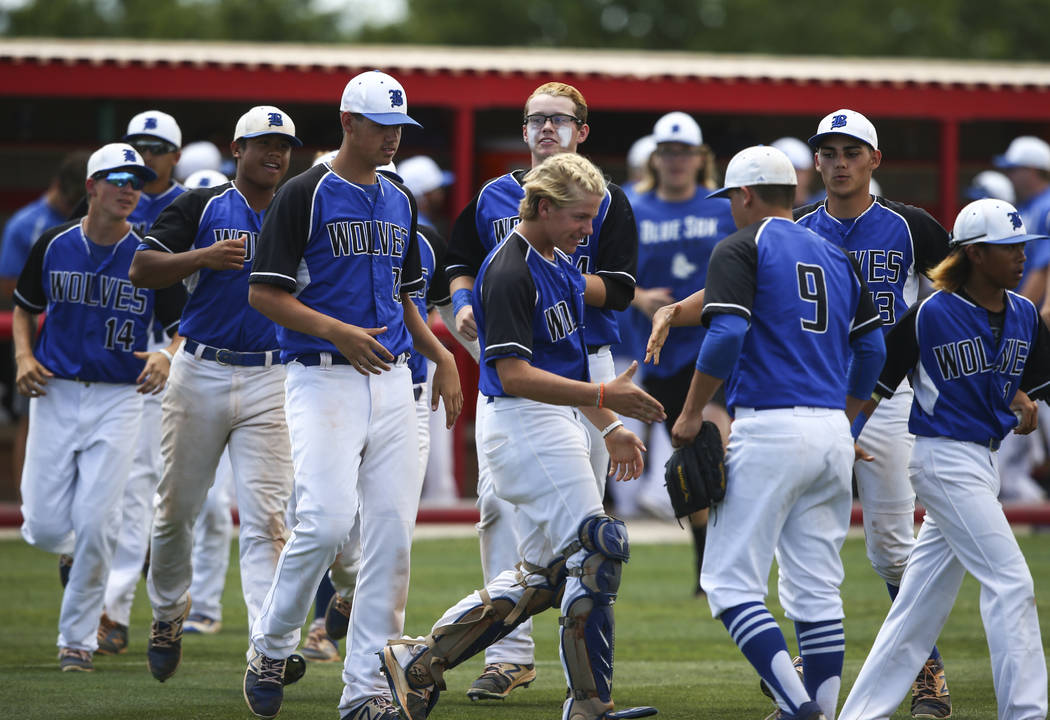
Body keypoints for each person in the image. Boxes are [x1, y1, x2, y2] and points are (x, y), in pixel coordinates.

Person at [379, 152, 663, 720]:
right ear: (539, 207)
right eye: (580, 217)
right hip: (523, 423)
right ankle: (589, 705)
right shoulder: (510, 269)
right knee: (597, 548)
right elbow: (512, 374)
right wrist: (606, 403)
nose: (589, 230)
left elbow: (572, 362)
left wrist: (609, 426)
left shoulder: (556, 259)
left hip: (549, 420)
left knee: (545, 574)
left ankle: (419, 661)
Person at [242, 70, 463, 720]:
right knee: (327, 522)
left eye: (400, 127)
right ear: (348, 123)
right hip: (320, 375)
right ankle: (272, 644)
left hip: (395, 381)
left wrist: (442, 352)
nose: (393, 137)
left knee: (391, 541)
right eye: (381, 125)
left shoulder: (400, 198)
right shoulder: (304, 193)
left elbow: (405, 299)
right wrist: (338, 331)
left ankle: (365, 691)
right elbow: (263, 292)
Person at [652, 145, 885, 720]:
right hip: (832, 429)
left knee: (729, 585)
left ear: (746, 195)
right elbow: (874, 349)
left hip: (770, 423)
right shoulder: (834, 252)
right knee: (815, 590)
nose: (731, 206)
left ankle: (799, 708)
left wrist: (689, 412)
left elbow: (727, 333)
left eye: (731, 196)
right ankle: (821, 711)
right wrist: (845, 418)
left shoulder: (741, 243)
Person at [444, 81, 638, 701]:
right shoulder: (498, 200)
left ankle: (586, 682)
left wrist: (549, 281)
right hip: (521, 371)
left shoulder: (604, 200)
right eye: (536, 120)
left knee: (583, 531)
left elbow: (623, 288)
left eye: (561, 120)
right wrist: (466, 299)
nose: (547, 129)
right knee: (506, 512)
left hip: (586, 359)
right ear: (523, 130)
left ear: (583, 129)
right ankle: (505, 656)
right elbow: (458, 262)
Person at [839, 198, 1050, 720]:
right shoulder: (931, 312)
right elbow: (876, 384)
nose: (1022, 257)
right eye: (1009, 248)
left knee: (915, 610)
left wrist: (1022, 398)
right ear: (975, 254)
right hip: (942, 460)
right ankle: (1026, 713)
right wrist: (840, 436)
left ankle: (859, 714)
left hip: (983, 462)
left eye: (1023, 246)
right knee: (1011, 582)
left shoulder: (1025, 313)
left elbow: (1033, 385)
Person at [129, 105, 301, 682]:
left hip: (272, 375)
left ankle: (266, 647)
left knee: (266, 521)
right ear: (238, 147)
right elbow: (142, 267)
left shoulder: (299, 206)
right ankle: (168, 613)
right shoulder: (203, 204)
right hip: (199, 368)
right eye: (264, 143)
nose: (275, 154)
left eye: (284, 145)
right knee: (177, 510)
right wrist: (202, 257)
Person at [795, 108, 955, 719]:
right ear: (816, 161)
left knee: (891, 546)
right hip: (816, 396)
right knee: (810, 541)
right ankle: (810, 676)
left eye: (850, 153)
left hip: (890, 398)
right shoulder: (796, 227)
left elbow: (964, 294)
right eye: (828, 153)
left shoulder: (910, 227)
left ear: (874, 160)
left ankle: (927, 671)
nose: (838, 163)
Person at [14, 142, 183, 672]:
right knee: (42, 525)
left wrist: (165, 355)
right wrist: (22, 355)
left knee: (97, 522)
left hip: (120, 398)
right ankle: (79, 550)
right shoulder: (53, 242)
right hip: (56, 391)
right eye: (118, 179)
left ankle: (77, 640)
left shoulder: (148, 256)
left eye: (136, 180)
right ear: (91, 186)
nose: (130, 189)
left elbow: (183, 329)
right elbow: (24, 308)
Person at [96, 109, 191, 657]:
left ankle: (115, 610)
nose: (147, 155)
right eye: (139, 145)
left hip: (171, 352)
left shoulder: (194, 201)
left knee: (145, 490)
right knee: (81, 505)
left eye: (157, 147)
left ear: (175, 155)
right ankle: (84, 564)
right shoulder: (114, 199)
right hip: (107, 355)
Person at [629, 111, 736, 593]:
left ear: (700, 158)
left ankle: (724, 563)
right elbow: (609, 272)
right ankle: (705, 566)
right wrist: (640, 298)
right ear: (656, 157)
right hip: (657, 351)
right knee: (687, 464)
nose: (675, 161)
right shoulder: (631, 207)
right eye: (667, 153)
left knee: (717, 450)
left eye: (684, 152)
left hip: (715, 343)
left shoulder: (721, 209)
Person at [0, 150, 88, 493]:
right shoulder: (29, 222)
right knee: (32, 416)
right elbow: (8, 282)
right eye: (70, 202)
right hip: (38, 331)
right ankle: (27, 499)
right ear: (57, 187)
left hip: (85, 331)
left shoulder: (95, 219)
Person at [771, 137, 818, 207]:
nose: (788, 177)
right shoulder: (760, 212)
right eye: (778, 172)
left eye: (796, 170)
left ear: (810, 172)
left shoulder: (828, 206)